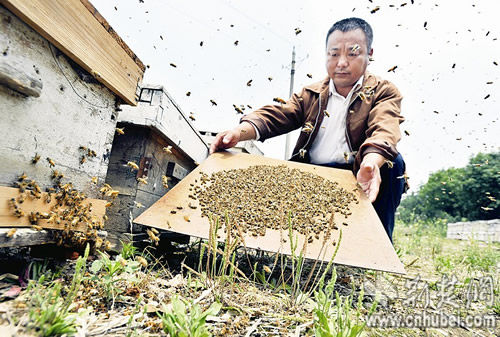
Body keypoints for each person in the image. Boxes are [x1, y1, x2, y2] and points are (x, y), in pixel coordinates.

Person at [210, 17, 408, 242]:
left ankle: (377, 247)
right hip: (312, 176)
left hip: (356, 174)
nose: (341, 62)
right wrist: (238, 132)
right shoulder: (311, 94)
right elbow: (277, 115)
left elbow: (385, 128)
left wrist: (371, 162)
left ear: (369, 53)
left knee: (394, 164)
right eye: (334, 54)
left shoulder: (384, 91)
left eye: (352, 54)